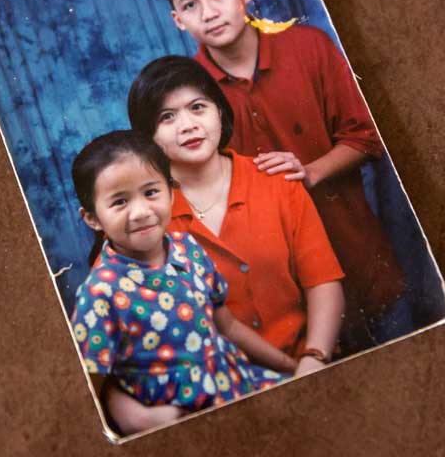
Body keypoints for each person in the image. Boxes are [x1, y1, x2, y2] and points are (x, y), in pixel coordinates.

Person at [152, 0, 410, 350]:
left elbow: (367, 135)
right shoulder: (185, 93)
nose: (209, 13)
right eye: (190, 5)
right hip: (280, 303)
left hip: (360, 253)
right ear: (178, 20)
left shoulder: (310, 47)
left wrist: (311, 172)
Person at [70, 130, 294, 435]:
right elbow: (89, 389)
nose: (141, 212)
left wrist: (291, 368)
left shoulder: (187, 248)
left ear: (171, 193)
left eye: (151, 192)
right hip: (182, 423)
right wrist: (138, 420)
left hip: (237, 385)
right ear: (93, 219)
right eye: (120, 202)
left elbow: (226, 326)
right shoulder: (100, 294)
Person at [128, 56, 345, 368]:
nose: (188, 125)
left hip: (307, 360)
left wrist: (315, 357)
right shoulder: (145, 216)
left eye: (198, 107)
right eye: (167, 117)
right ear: (149, 137)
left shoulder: (276, 182)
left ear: (219, 111)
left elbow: (323, 280)